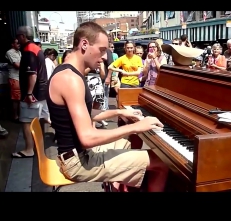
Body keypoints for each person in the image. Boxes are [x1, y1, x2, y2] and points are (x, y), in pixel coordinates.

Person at [47, 22, 168, 191]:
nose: (105, 57)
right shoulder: (70, 79)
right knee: (161, 163)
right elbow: (87, 138)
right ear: (84, 44)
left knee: (125, 145)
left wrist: (119, 111)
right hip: (78, 162)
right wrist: (136, 127)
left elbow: (87, 113)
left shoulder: (68, 72)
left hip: (76, 155)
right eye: (102, 50)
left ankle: (116, 186)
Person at [12, 26, 47, 158]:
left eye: (18, 36)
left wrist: (28, 93)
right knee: (43, 119)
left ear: (23, 36)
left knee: (26, 121)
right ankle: (39, 145)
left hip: (34, 94)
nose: (16, 39)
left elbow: (32, 74)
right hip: (42, 92)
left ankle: (29, 149)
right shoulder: (36, 48)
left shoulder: (28, 50)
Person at [5, 38, 21, 122]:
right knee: (15, 99)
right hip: (14, 78)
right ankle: (15, 116)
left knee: (19, 98)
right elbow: (17, 65)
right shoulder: (10, 52)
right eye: (17, 43)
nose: (19, 44)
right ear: (12, 44)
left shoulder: (19, 52)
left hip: (19, 77)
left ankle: (18, 115)